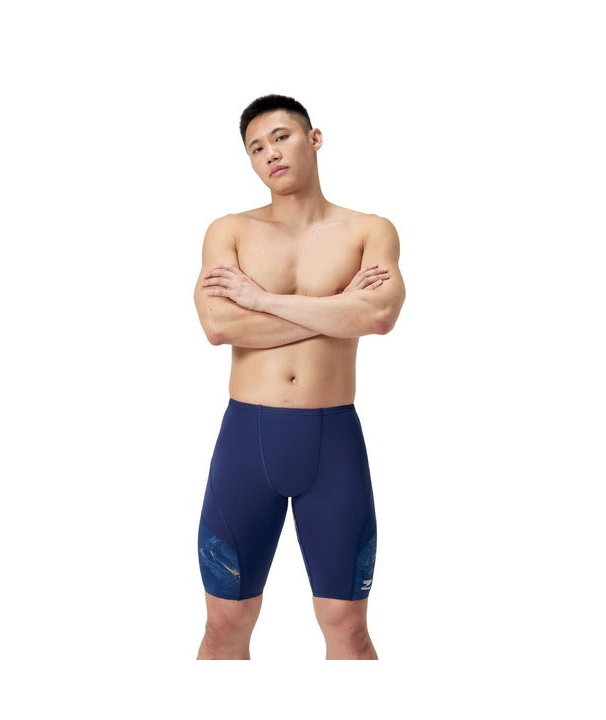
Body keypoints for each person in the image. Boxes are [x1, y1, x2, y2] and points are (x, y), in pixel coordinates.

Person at [193, 94, 405, 660]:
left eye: (281, 137)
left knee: (348, 628)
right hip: (247, 440)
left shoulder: (369, 230)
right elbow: (218, 325)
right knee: (223, 626)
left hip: (332, 440)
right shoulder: (229, 231)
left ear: (314, 139)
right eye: (256, 148)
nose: (270, 153)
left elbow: (378, 316)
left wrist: (261, 300)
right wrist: (335, 308)